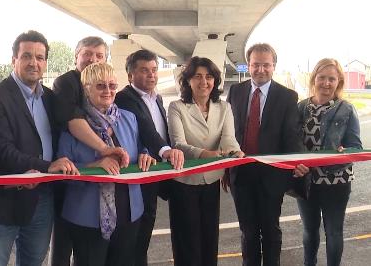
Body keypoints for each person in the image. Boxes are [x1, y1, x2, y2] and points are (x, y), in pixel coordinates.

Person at [0, 30, 79, 266]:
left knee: (33, 261)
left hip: (42, 198)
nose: (34, 62)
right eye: (27, 56)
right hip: (5, 199)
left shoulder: (50, 98)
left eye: (40, 57)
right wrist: (47, 167)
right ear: (14, 60)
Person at [58, 62, 155, 266]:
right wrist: (96, 165)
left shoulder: (129, 118)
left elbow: (140, 149)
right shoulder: (73, 125)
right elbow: (63, 174)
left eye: (112, 85)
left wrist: (146, 155)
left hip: (129, 215)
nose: (108, 91)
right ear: (86, 88)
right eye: (100, 86)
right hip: (86, 219)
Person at [226, 43, 308, 266]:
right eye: (255, 64)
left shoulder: (287, 96)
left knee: (270, 231)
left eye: (266, 65)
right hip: (241, 176)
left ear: (274, 66)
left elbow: (292, 134)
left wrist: (296, 161)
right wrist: (224, 169)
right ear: (248, 65)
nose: (260, 70)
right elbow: (227, 132)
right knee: (248, 232)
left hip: (272, 177)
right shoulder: (236, 92)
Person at [51, 36, 127, 266]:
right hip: (75, 201)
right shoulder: (65, 83)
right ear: (76, 57)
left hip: (120, 212)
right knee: (64, 250)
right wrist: (104, 152)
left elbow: (141, 145)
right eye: (87, 54)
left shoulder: (125, 118)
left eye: (99, 55)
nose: (93, 59)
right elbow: (73, 121)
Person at [167, 56, 243, 266]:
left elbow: (228, 138)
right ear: (188, 80)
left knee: (210, 240)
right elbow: (178, 144)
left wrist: (235, 152)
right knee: (186, 243)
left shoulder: (224, 107)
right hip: (184, 184)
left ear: (215, 81)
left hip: (211, 182)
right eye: (198, 76)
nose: (204, 82)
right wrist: (205, 154)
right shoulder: (177, 107)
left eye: (209, 77)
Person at [114, 49, 184, 266]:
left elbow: (161, 129)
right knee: (134, 236)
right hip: (139, 172)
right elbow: (146, 130)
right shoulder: (124, 99)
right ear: (130, 75)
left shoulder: (157, 97)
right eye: (144, 70)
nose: (151, 75)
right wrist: (165, 151)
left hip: (157, 173)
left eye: (154, 70)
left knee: (145, 231)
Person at [296, 58, 361, 266]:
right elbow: (293, 142)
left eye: (331, 79)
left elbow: (356, 147)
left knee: (333, 232)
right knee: (309, 231)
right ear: (314, 79)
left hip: (337, 182)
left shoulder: (347, 109)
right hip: (306, 181)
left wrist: (345, 152)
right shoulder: (301, 108)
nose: (326, 83)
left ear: (338, 81)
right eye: (322, 77)